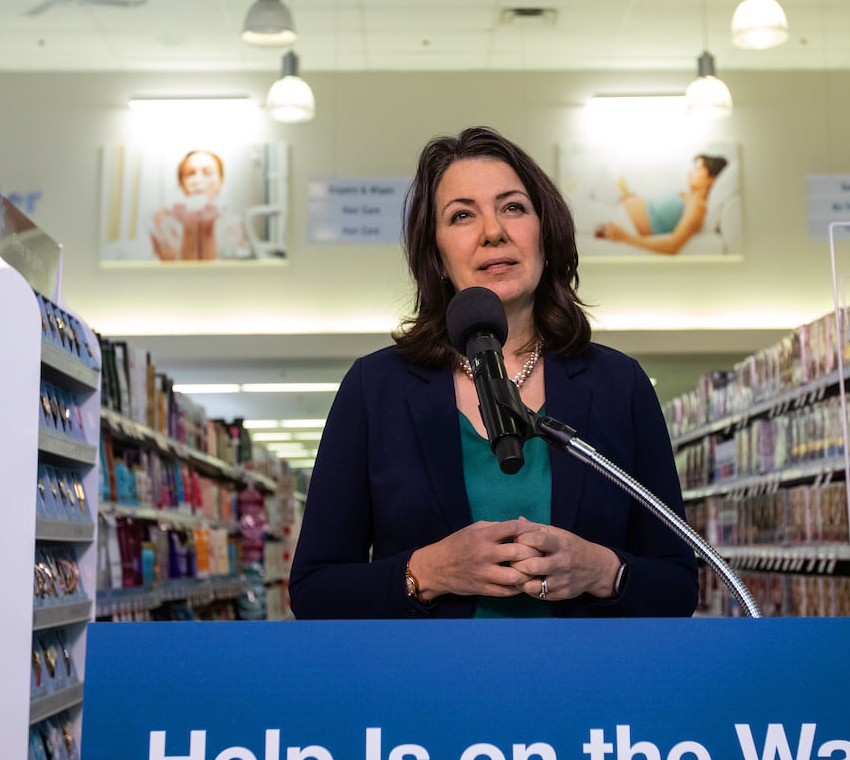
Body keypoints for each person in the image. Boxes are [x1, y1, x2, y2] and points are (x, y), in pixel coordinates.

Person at [289, 126, 698, 620]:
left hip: (592, 686)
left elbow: (677, 586)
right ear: (435, 254)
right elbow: (315, 590)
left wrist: (603, 571)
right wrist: (427, 572)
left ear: (546, 234)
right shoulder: (374, 389)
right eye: (462, 215)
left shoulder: (620, 383)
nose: (493, 231)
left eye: (513, 207)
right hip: (428, 688)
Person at [594, 154, 728, 256]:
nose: (691, 172)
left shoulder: (698, 206)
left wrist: (624, 237)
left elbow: (673, 246)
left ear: (712, 179)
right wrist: (632, 199)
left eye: (698, 169)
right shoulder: (686, 196)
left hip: (619, 224)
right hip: (615, 212)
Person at [149, 149, 250, 261]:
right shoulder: (165, 221)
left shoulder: (233, 222)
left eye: (207, 173)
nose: (198, 180)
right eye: (190, 174)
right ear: (181, 183)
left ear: (220, 181)